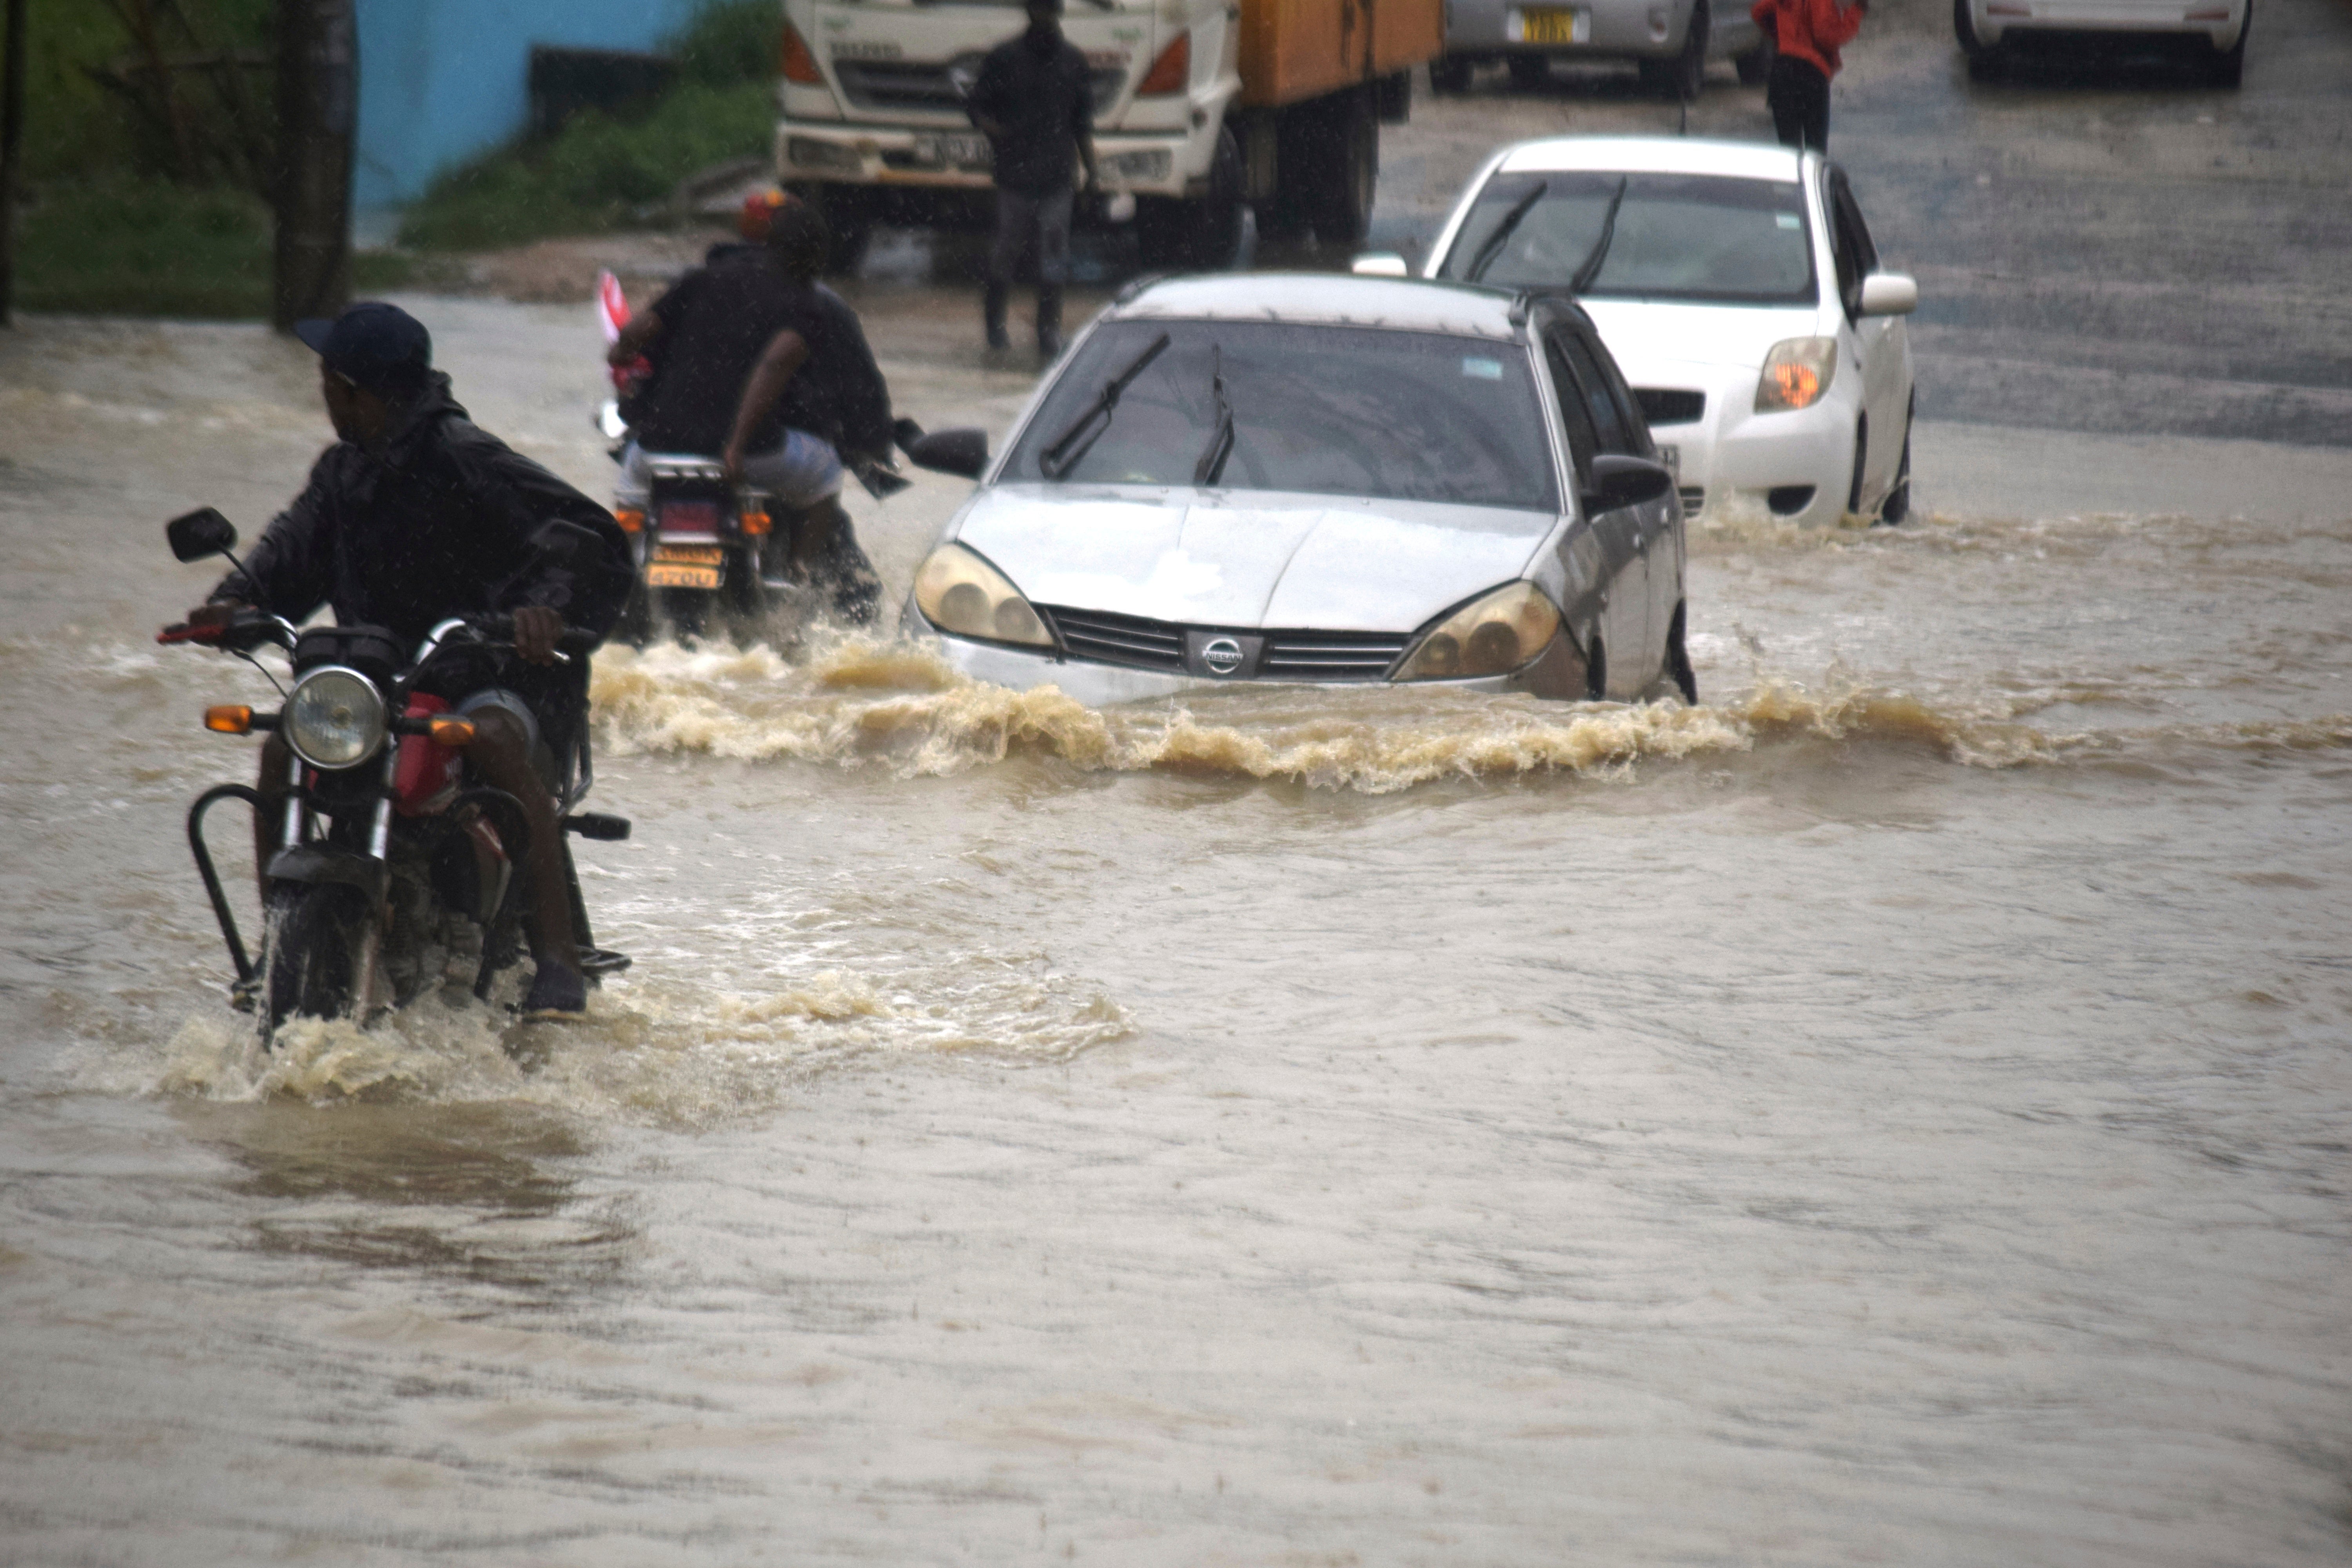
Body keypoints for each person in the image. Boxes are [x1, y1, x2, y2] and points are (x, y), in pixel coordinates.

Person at [172, 302, 633, 1018]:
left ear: (356, 390)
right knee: (279, 750)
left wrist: (547, 608)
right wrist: (236, 602)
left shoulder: (466, 457)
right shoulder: (341, 473)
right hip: (370, 681)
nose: (325, 396)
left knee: (497, 741)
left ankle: (558, 961)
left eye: (329, 382)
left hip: (481, 673)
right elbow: (289, 553)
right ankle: (278, 943)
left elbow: (591, 539)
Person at [608, 199, 888, 618]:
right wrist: (736, 445)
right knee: (826, 474)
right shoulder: (808, 304)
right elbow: (774, 368)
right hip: (746, 455)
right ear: (817, 256)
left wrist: (620, 354)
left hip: (658, 447)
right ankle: (797, 571)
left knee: (630, 486)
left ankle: (621, 578)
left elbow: (635, 334)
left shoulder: (699, 280)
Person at [966, 0, 1100, 358]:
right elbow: (976, 107)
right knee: (1006, 251)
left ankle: (1047, 332)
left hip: (1056, 176)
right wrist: (997, 132)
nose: (1044, 18)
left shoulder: (1072, 62)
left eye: (1049, 12)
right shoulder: (1004, 58)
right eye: (1039, 11)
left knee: (1053, 254)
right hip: (1016, 175)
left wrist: (1093, 174)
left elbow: (1082, 125)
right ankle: (995, 327)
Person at [1751, 0, 1866, 153]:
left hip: (1782, 70)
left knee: (1789, 151)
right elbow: (1826, 35)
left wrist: (1781, 37)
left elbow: (1760, 11)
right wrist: (1855, 13)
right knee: (1816, 151)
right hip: (1811, 73)